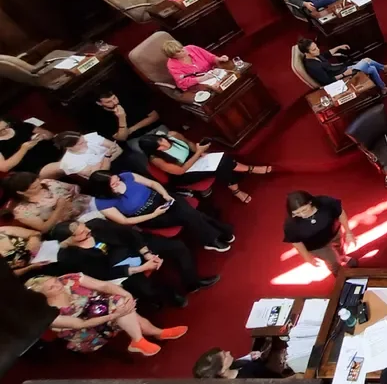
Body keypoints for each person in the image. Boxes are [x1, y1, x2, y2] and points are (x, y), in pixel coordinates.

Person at [49, 219, 218, 308]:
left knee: (177, 247)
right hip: (117, 270)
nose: (87, 230)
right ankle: (172, 296)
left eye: (83, 227)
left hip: (133, 249)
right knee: (145, 289)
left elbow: (128, 234)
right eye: (81, 233)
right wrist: (141, 268)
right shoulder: (69, 256)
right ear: (69, 240)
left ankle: (192, 281)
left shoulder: (96, 225)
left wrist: (146, 252)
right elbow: (102, 273)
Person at [25, 273, 187, 356]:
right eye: (51, 288)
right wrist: (115, 314)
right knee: (121, 308)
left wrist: (126, 295)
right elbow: (80, 325)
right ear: (41, 294)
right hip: (85, 332)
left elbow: (104, 285)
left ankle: (141, 339)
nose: (57, 285)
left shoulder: (69, 279)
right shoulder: (44, 311)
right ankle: (150, 335)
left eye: (55, 281)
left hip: (102, 308)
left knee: (121, 304)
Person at [89, 170, 235, 252]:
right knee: (189, 215)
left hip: (161, 198)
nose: (118, 183)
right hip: (148, 216)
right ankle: (219, 233)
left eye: (117, 179)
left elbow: (152, 183)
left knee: (189, 213)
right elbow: (125, 221)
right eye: (114, 184)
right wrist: (154, 214)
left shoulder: (126, 176)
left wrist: (165, 195)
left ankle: (213, 238)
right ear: (104, 189)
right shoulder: (102, 202)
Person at [138, 131, 270, 204]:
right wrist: (198, 153)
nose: (164, 145)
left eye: (161, 141)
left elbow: (189, 144)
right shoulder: (156, 159)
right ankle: (249, 171)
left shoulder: (173, 135)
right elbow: (180, 171)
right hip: (185, 173)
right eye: (159, 147)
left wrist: (199, 151)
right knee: (221, 164)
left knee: (222, 162)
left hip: (194, 158)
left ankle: (237, 186)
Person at [284, 191, 357, 272]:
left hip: (334, 233)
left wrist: (348, 232)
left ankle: (342, 258)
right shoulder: (291, 224)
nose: (302, 214)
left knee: (340, 249)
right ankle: (339, 274)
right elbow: (296, 242)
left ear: (310, 202)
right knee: (333, 261)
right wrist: (307, 257)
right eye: (297, 213)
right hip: (317, 246)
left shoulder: (326, 203)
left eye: (304, 210)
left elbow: (340, 213)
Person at [1, 172, 98, 233]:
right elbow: (44, 229)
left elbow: (74, 187)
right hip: (72, 223)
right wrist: (59, 208)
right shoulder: (22, 210)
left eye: (38, 182)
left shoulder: (47, 182)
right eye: (34, 187)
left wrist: (73, 193)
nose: (39, 185)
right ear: (21, 192)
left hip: (85, 203)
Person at [297, 38, 387, 95]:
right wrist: (344, 74)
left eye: (316, 47)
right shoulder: (312, 66)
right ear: (307, 53)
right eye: (314, 49)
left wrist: (339, 47)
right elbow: (328, 81)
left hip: (343, 70)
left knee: (371, 68)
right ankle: (384, 68)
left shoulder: (315, 55)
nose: (318, 50)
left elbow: (326, 54)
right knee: (366, 61)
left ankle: (383, 88)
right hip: (341, 78)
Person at [94, 91, 164, 170]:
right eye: (108, 102)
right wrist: (122, 118)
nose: (115, 102)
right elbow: (122, 138)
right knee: (142, 154)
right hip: (135, 139)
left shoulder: (129, 100)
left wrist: (132, 129)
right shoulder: (100, 118)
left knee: (167, 140)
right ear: (100, 103)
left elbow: (154, 116)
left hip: (154, 128)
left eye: (114, 98)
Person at [162, 40, 234, 91]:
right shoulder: (172, 65)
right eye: (179, 51)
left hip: (212, 73)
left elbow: (210, 57)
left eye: (181, 48)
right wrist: (203, 78)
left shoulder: (192, 48)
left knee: (231, 74)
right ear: (173, 56)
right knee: (218, 88)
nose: (184, 50)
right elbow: (182, 82)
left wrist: (219, 59)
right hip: (198, 84)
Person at [194, 348, 282, 379]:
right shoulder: (248, 374)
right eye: (225, 356)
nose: (228, 352)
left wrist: (249, 357)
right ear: (221, 370)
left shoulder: (233, 367)